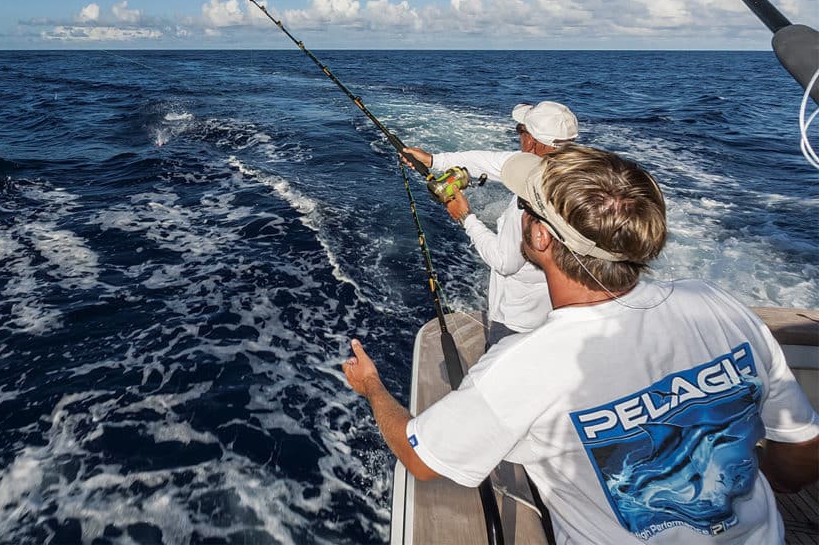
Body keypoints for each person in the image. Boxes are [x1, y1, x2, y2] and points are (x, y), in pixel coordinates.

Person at [343, 145, 819, 544]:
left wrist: (373, 389)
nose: (521, 213)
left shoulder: (524, 365)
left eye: (524, 207)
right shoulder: (715, 303)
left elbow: (419, 457)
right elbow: (800, 457)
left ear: (542, 237)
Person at [403, 101, 579, 346]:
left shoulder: (530, 204)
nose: (519, 136)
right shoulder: (576, 174)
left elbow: (505, 262)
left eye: (521, 130)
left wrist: (466, 217)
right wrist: (433, 160)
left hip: (519, 320)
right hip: (561, 308)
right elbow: (485, 161)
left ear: (533, 142)